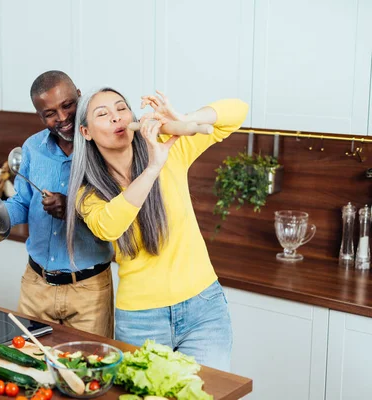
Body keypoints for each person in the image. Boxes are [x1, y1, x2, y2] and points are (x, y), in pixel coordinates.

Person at [66, 87, 248, 371]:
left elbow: (237, 111)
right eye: (103, 114)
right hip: (141, 320)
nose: (117, 118)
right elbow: (109, 227)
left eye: (121, 108)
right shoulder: (87, 194)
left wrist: (183, 119)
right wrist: (153, 168)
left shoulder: (170, 145)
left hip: (204, 308)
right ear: (86, 132)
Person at [4, 71, 115, 338]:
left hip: (89, 291)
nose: (63, 118)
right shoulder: (32, 147)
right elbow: (22, 202)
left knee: (87, 374)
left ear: (79, 96)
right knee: (30, 369)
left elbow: (116, 214)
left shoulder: (105, 145)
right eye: (50, 113)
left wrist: (73, 209)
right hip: (36, 286)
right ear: (39, 116)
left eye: (68, 105)